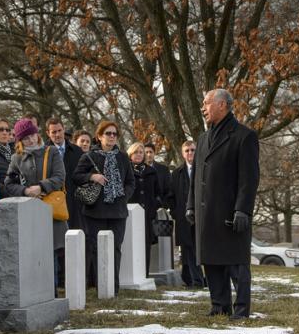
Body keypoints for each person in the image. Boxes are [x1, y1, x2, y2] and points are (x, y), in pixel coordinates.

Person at [187, 89, 259, 319]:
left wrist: (243, 209)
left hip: (230, 210)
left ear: (222, 105)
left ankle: (241, 309)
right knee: (212, 260)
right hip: (206, 211)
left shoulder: (244, 136)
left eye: (206, 103)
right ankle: (219, 304)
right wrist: (190, 205)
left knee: (236, 263)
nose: (203, 108)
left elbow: (249, 178)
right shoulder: (203, 138)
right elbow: (196, 176)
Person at [5, 118, 67, 294]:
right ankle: (34, 291)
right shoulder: (17, 158)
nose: (31, 140)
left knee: (51, 252)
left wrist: (41, 186)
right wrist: (25, 191)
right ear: (19, 141)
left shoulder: (52, 151)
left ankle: (51, 291)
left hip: (50, 209)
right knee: (32, 252)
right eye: (26, 138)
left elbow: (60, 177)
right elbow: (9, 183)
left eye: (32, 136)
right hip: (29, 210)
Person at [73, 120, 134, 292]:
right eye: (108, 133)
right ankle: (99, 285)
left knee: (115, 248)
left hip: (118, 211)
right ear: (99, 136)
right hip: (95, 211)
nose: (112, 136)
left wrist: (123, 195)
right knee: (96, 248)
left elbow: (131, 182)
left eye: (115, 134)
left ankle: (113, 287)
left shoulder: (123, 157)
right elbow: (76, 176)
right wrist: (92, 177)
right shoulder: (89, 156)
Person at [169, 140, 205, 288]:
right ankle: (196, 281)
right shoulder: (177, 173)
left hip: (203, 217)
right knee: (188, 250)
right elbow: (171, 196)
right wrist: (176, 213)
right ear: (183, 154)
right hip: (184, 219)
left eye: (192, 150)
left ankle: (205, 279)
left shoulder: (204, 169)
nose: (190, 153)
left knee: (203, 250)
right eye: (187, 151)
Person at [128, 141, 161, 275]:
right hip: (130, 213)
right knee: (132, 243)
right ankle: (131, 273)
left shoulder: (151, 172)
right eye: (136, 152)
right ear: (130, 154)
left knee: (145, 244)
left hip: (147, 214)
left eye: (141, 152)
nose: (139, 155)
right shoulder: (126, 170)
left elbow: (158, 192)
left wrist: (154, 205)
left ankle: (144, 273)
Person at [45, 118, 84, 230]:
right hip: (53, 200)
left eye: (59, 130)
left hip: (75, 202)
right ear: (48, 133)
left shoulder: (77, 151)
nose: (57, 134)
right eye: (53, 132)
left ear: (64, 129)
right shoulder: (43, 152)